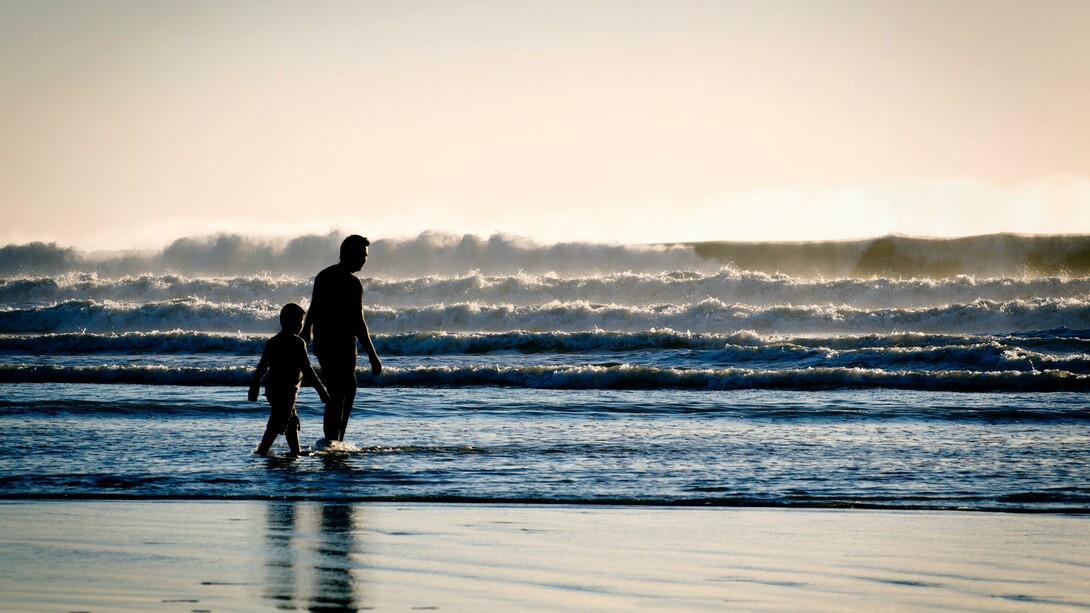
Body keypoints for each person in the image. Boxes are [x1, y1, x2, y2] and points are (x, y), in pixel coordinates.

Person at [302, 234, 382, 442]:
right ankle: (333, 441)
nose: (365, 260)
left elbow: (313, 307)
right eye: (363, 255)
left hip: (323, 343)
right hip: (342, 344)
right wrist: (373, 356)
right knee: (340, 393)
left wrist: (306, 331)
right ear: (350, 254)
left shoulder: (324, 275)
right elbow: (358, 323)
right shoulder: (352, 283)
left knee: (343, 390)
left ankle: (335, 439)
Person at [249, 303, 330, 455]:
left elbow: (261, 368)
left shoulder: (272, 342)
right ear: (292, 323)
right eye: (300, 323)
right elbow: (308, 370)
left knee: (291, 421)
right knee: (277, 422)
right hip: (287, 391)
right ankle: (263, 450)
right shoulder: (298, 343)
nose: (301, 326)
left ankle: (295, 451)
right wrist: (322, 391)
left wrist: (254, 388)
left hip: (272, 390)